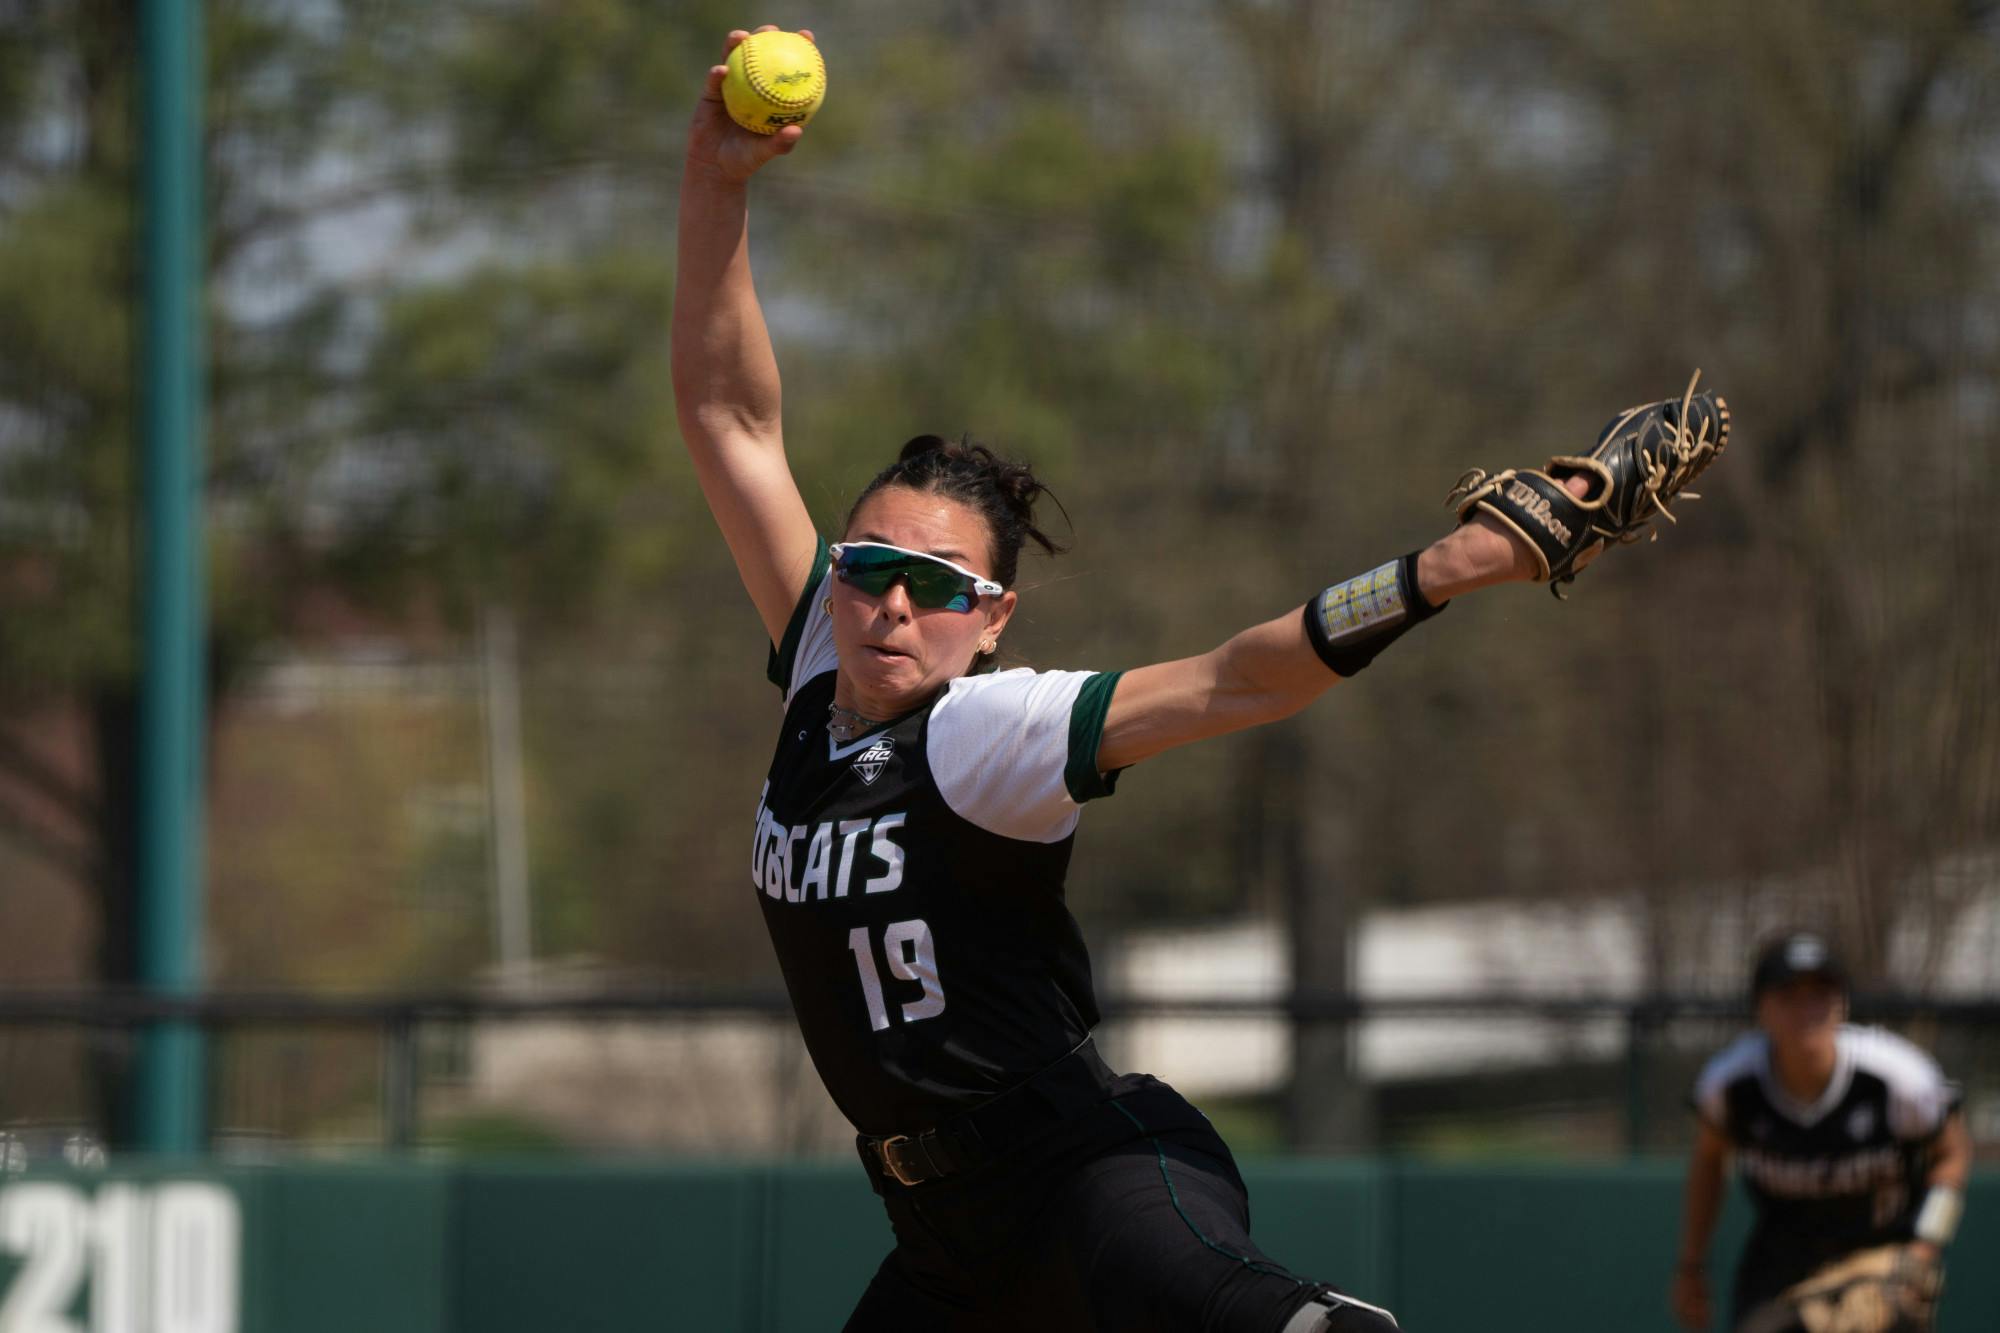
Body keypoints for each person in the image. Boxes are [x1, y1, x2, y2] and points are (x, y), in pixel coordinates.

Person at [675, 27, 1724, 1332]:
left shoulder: (986, 731)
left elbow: (1238, 681)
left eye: (941, 585)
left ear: (992, 618)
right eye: (874, 563)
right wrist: (718, 185)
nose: (896, 601)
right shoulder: (824, 661)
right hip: (943, 1244)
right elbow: (730, 416)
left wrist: (1446, 569)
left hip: (1084, 1171)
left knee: (1246, 1319)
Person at [1672, 931, 1971, 1333]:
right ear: (1760, 1007)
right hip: (1781, 1264)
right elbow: (1710, 1159)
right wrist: (1691, 1264)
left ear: (1843, 1004)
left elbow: (1954, 1154)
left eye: (1821, 994)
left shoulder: (1896, 1078)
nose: (1807, 1009)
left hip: (1880, 1259)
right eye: (1789, 995)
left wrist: (1924, 1249)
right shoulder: (1731, 1085)